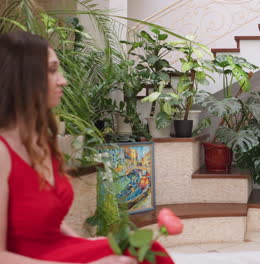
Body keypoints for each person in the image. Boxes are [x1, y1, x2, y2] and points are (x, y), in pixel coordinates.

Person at [0, 31, 174, 264]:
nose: (63, 80)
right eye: (52, 71)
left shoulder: (41, 143)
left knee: (141, 247)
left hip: (57, 251)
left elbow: (47, 223)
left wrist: (88, 244)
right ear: (23, 78)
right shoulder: (2, 153)